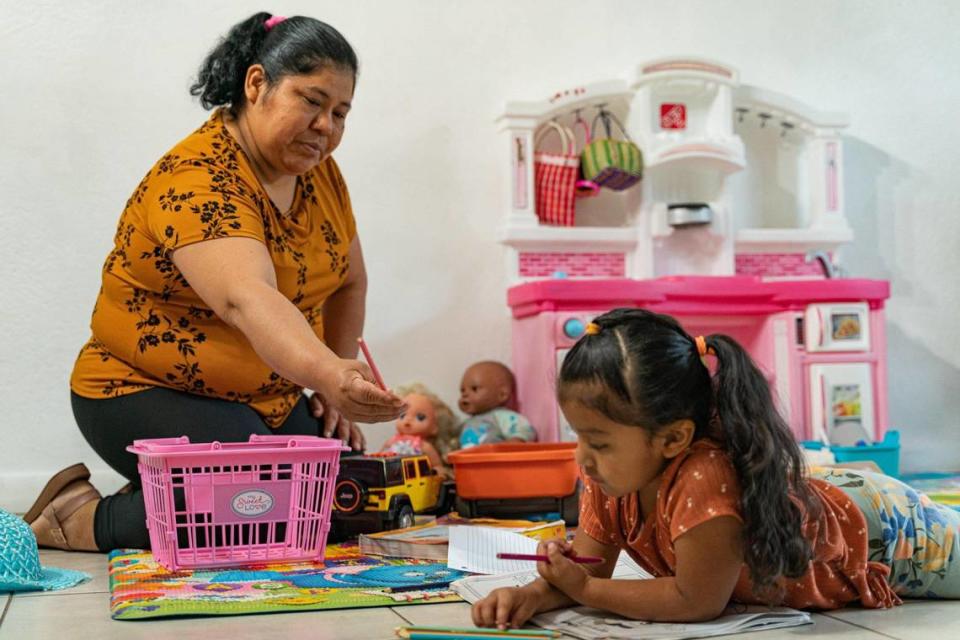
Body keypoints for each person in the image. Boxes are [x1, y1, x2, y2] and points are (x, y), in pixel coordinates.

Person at [23, 12, 405, 553]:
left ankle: (170, 490)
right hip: (143, 389)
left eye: (341, 112)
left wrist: (332, 392)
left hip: (263, 399)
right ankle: (80, 518)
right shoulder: (198, 178)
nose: (327, 126)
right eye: (312, 101)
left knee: (343, 498)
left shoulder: (319, 173)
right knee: (264, 507)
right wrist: (329, 372)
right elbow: (245, 298)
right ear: (256, 84)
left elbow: (349, 283)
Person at [473, 308, 960, 629]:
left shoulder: (702, 475)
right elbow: (586, 567)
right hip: (821, 494)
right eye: (578, 435)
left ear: (672, 439)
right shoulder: (610, 475)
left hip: (885, 529)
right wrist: (536, 594)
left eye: (598, 441)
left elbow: (695, 600)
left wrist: (588, 590)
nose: (582, 457)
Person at [457, 361, 536, 449]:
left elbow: (524, 429)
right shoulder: (467, 423)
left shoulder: (501, 416)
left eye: (474, 389)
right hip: (469, 461)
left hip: (494, 460)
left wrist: (517, 440)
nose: (465, 394)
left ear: (502, 394)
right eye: (463, 390)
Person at [380, 383, 457, 472]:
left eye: (420, 417)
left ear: (435, 427)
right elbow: (379, 456)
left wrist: (437, 471)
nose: (408, 420)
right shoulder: (392, 441)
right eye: (402, 415)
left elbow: (436, 465)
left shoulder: (424, 446)